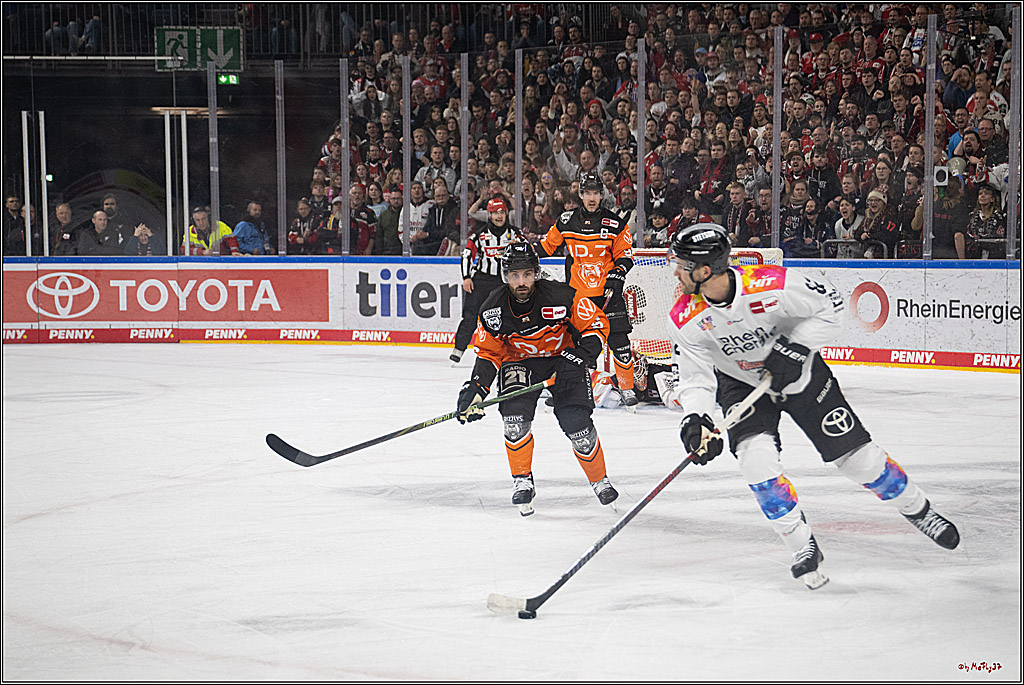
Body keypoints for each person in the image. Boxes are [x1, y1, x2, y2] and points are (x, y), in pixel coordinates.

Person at [662, 223, 959, 589]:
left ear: (705, 270)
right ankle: (802, 546)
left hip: (802, 377)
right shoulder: (684, 317)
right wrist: (697, 418)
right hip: (740, 385)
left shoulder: (771, 284)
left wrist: (796, 346)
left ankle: (919, 510)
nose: (674, 271)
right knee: (757, 464)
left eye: (680, 264)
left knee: (859, 461)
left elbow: (832, 304)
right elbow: (695, 377)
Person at [455, 242, 619, 515]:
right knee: (515, 422)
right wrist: (476, 389)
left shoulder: (562, 295)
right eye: (515, 275)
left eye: (527, 274)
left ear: (536, 273)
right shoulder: (492, 308)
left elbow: (596, 325)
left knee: (577, 424)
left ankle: (600, 480)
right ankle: (522, 480)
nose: (521, 282)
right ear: (505, 275)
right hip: (519, 363)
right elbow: (488, 354)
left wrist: (578, 356)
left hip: (563, 362)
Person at [536, 171, 638, 406]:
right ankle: (567, 388)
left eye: (595, 193)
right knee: (573, 346)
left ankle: (627, 387)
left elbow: (625, 255)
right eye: (587, 193)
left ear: (601, 195)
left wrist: (618, 273)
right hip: (578, 299)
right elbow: (547, 248)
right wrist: (524, 251)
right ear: (580, 195)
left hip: (608, 294)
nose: (591, 198)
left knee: (620, 343)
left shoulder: (615, 223)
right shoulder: (566, 221)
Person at [450, 197, 525, 364]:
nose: (499, 216)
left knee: (510, 316)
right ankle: (458, 349)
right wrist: (466, 277)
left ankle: (514, 350)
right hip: (482, 280)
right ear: (489, 215)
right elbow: (467, 255)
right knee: (470, 316)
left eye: (501, 212)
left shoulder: (515, 234)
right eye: (495, 213)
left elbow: (527, 252)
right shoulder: (480, 235)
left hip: (506, 282)